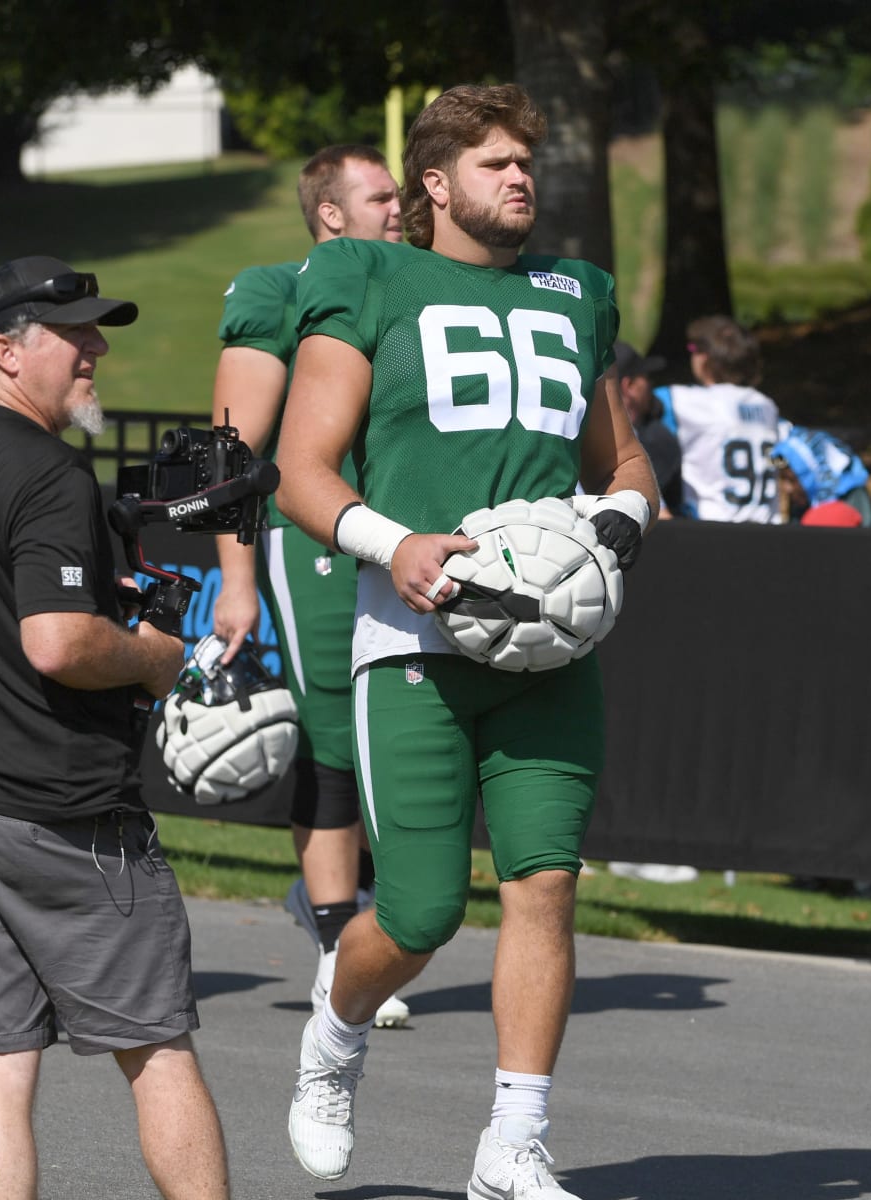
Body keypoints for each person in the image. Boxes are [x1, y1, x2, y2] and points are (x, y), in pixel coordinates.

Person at [274, 83, 658, 1197]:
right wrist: (389, 542)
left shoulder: (573, 292)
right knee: (423, 910)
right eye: (495, 163)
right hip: (415, 638)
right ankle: (333, 1038)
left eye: (527, 163)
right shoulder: (369, 275)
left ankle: (515, 1140)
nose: (521, 179)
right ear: (433, 185)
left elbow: (621, 461)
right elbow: (301, 468)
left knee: (546, 882)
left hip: (547, 646)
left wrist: (624, 513)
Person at [0, 255, 230, 1200]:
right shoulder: (48, 474)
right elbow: (62, 645)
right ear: (3, 351)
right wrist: (158, 653)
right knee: (157, 1050)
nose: (96, 350)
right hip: (64, 816)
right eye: (74, 335)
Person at [211, 144, 410, 1029]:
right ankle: (337, 939)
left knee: (393, 736)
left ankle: (357, 913)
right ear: (330, 212)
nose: (400, 207)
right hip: (313, 539)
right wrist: (238, 582)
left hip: (402, 539)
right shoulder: (275, 290)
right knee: (333, 732)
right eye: (380, 195)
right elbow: (232, 455)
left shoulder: (420, 281)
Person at [652, 314, 781, 523]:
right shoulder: (767, 405)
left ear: (705, 356)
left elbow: (635, 405)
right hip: (767, 525)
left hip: (713, 527)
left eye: (693, 349)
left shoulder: (684, 400)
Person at [612, 340, 682, 517]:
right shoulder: (652, 438)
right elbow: (660, 516)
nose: (651, 385)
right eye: (646, 377)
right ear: (629, 386)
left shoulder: (572, 431)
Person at [770, 425, 871, 528]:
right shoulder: (802, 503)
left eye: (792, 480)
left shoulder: (853, 497)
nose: (786, 488)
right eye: (782, 479)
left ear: (814, 472)